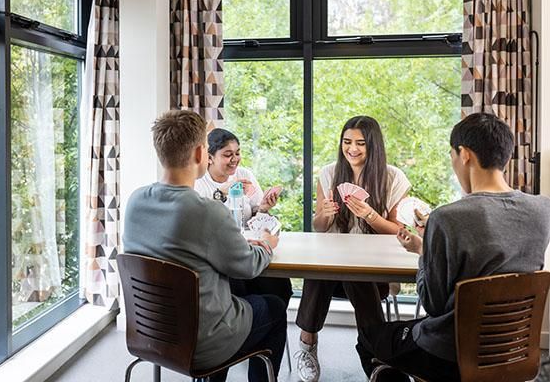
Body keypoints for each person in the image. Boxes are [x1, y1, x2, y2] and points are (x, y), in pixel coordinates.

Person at [356, 112, 550, 382]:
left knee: (368, 337)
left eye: (452, 156)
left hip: (447, 354)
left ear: (465, 154)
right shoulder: (542, 209)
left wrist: (427, 254)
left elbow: (432, 304)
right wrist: (428, 247)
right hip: (510, 347)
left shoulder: (447, 218)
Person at [122, 110, 287, 381]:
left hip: (149, 332)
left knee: (234, 294)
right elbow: (247, 265)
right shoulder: (208, 211)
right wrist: (267, 245)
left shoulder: (135, 201)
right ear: (202, 154)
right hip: (202, 342)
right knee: (273, 306)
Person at [295, 116, 411, 382]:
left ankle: (374, 351)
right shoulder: (329, 173)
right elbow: (319, 227)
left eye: (360, 143)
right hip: (331, 274)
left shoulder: (393, 177)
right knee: (321, 266)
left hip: (375, 275)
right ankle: (308, 344)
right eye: (347, 142)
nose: (353, 149)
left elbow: (399, 232)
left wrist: (371, 216)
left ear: (373, 146)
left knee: (352, 271)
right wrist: (323, 214)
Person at [195, 128, 293, 308]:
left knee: (281, 287)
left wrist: (263, 208)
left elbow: (256, 217)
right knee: (243, 288)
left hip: (249, 246)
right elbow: (199, 216)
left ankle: (269, 326)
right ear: (209, 157)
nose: (235, 159)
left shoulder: (244, 174)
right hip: (223, 253)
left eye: (237, 153)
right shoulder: (200, 182)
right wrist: (222, 192)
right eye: (227, 154)